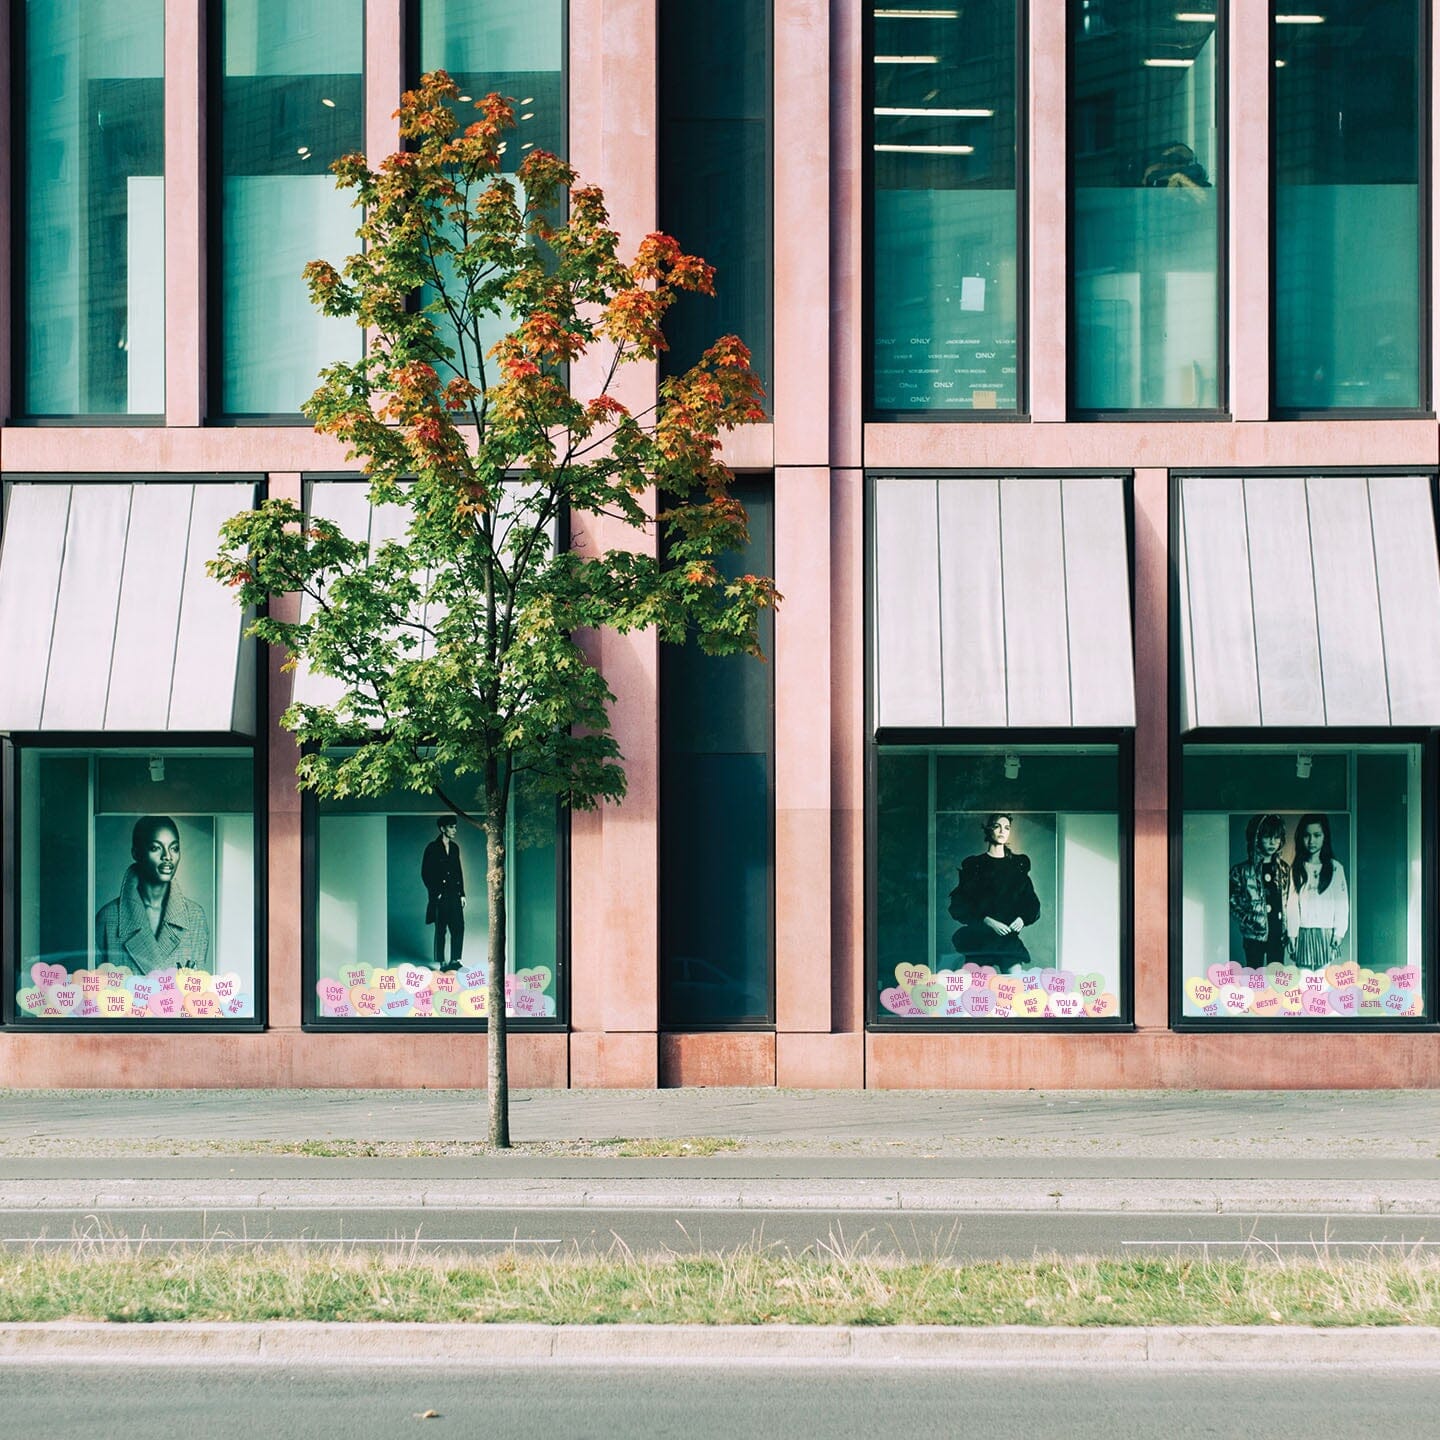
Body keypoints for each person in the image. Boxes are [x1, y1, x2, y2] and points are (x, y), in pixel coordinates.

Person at [94, 815, 211, 974]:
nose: (167, 857)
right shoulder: (108, 918)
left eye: (174, 848)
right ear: (136, 853)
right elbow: (95, 992)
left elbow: (198, 993)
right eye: (156, 848)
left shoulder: (195, 917)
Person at [948, 813, 1042, 972]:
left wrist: (1022, 918)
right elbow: (960, 904)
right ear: (988, 829)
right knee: (976, 990)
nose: (1002, 831)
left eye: (1006, 828)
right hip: (980, 940)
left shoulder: (1018, 865)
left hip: (1007, 941)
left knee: (1014, 987)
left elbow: (1031, 901)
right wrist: (987, 921)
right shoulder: (975, 865)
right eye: (997, 826)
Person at [1285, 813, 1349, 971]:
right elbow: (1292, 905)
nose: (1311, 841)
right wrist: (1292, 934)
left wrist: (1339, 932)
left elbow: (1342, 904)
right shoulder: (1298, 868)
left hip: (1325, 932)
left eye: (1317, 835)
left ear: (1325, 836)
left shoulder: (1335, 868)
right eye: (1307, 836)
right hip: (1303, 932)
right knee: (1304, 980)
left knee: (1323, 979)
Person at [1229, 813, 1291, 968]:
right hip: (1254, 937)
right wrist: (1249, 920)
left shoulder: (1284, 869)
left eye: (1276, 837)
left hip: (1278, 935)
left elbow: (1290, 900)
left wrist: (1288, 930)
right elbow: (1232, 901)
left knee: (1276, 981)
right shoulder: (1241, 871)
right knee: (1253, 980)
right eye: (1267, 836)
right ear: (1256, 838)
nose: (1272, 842)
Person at [422, 816, 466, 970]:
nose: (455, 830)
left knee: (458, 926)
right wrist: (436, 893)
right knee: (441, 929)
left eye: (455, 827)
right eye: (451, 827)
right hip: (441, 896)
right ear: (442, 829)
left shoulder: (455, 848)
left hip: (454, 894)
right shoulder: (432, 848)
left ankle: (455, 960)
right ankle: (441, 962)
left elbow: (458, 871)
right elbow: (425, 873)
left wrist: (462, 894)